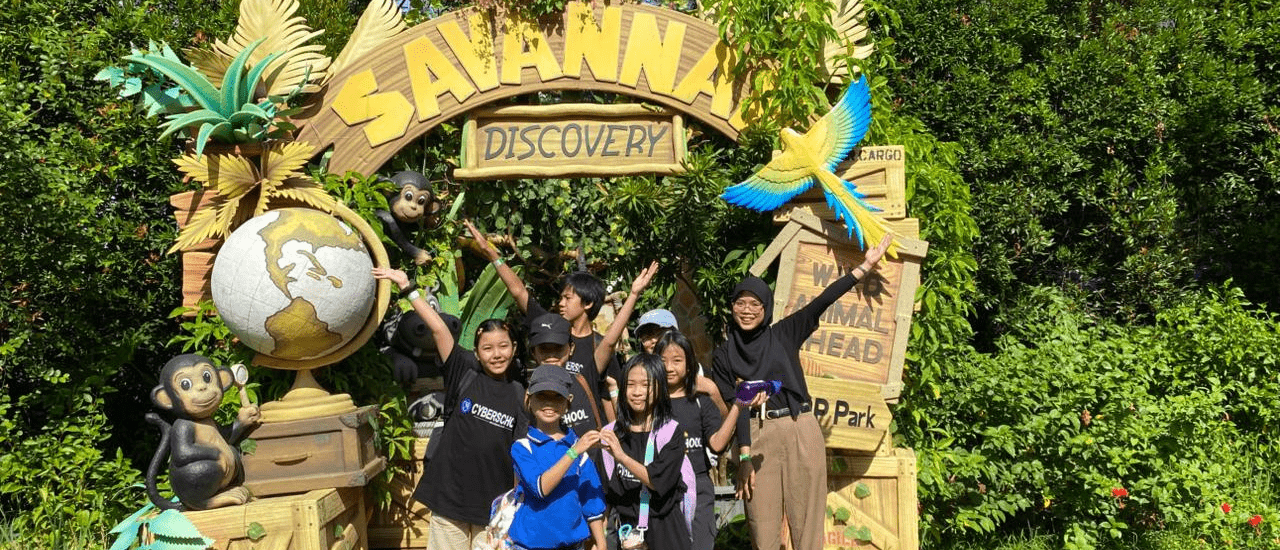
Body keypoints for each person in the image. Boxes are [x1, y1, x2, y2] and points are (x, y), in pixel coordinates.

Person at [711, 234, 893, 550]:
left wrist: (864, 267)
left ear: (766, 308)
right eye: (740, 303)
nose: (747, 310)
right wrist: (744, 456)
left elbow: (823, 300)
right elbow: (735, 409)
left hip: (800, 427)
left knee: (807, 525)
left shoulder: (784, 333)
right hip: (756, 436)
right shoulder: (723, 355)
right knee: (762, 528)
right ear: (732, 307)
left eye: (755, 303)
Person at [372, 267, 528, 550]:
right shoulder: (463, 371)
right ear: (477, 352)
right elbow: (438, 329)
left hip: (493, 509)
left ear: (514, 348)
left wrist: (515, 503)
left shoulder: (519, 393)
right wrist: (408, 287)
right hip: (450, 499)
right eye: (488, 348)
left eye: (503, 346)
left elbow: (520, 452)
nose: (496, 354)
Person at [468, 218, 657, 427]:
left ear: (587, 303)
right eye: (546, 348)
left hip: (587, 433)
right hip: (548, 430)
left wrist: (634, 294)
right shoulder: (549, 330)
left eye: (567, 298)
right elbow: (519, 292)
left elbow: (607, 391)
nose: (560, 303)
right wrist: (491, 254)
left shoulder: (598, 346)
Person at [654, 331, 759, 550]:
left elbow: (717, 444)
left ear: (689, 365)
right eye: (663, 361)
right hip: (661, 489)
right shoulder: (650, 404)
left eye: (677, 361)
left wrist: (738, 406)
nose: (669, 367)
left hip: (699, 487)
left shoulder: (701, 402)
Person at [510, 364, 608, 550]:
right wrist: (573, 452)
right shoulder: (522, 447)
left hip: (573, 545)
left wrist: (601, 544)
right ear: (528, 399)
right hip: (529, 546)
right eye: (541, 396)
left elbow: (591, 501)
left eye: (557, 397)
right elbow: (540, 488)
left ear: (568, 402)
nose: (549, 403)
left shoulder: (579, 448)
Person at [600, 354, 691, 550]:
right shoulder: (611, 434)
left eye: (645, 385)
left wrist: (621, 457)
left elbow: (657, 481)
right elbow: (605, 494)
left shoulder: (670, 432)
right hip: (628, 533)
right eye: (630, 384)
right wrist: (600, 542)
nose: (637, 392)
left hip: (666, 530)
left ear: (659, 388)